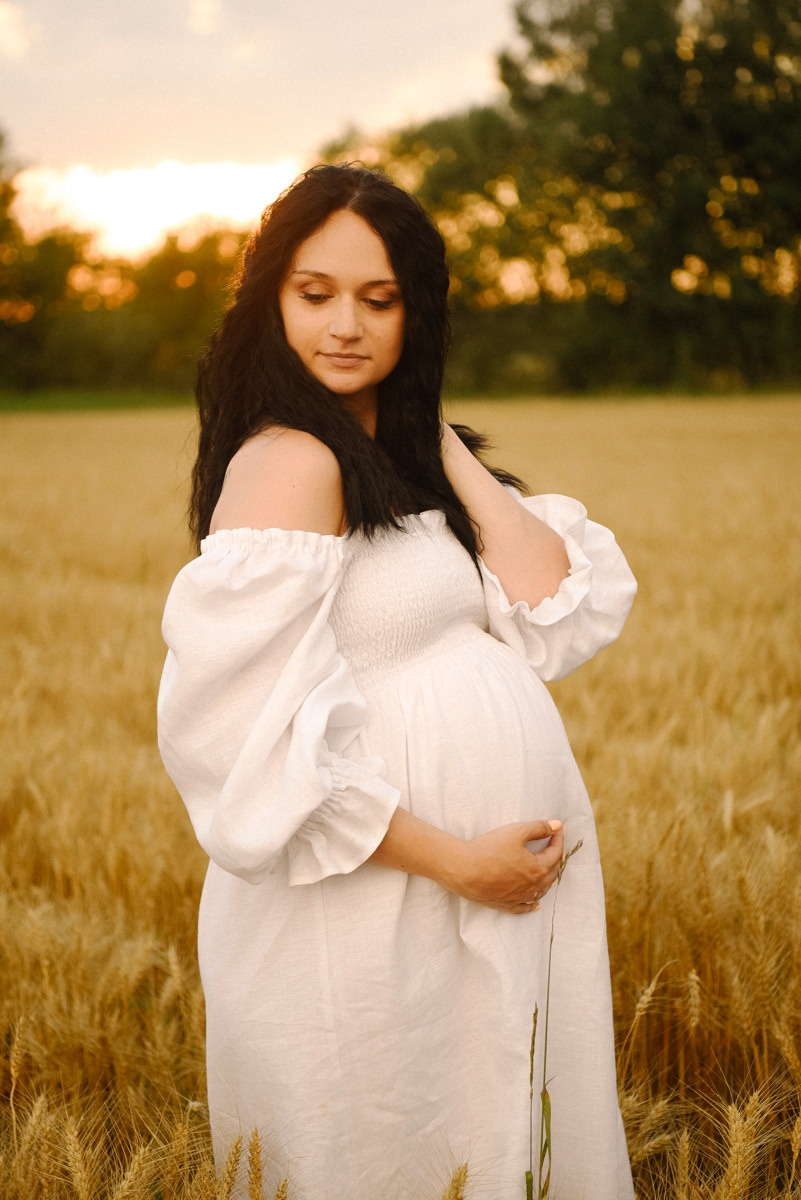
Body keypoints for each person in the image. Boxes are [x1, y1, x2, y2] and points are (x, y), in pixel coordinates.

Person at [157, 163, 637, 1200]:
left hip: (466, 893)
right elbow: (242, 740)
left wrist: (437, 435)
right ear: (270, 297)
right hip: (372, 903)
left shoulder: (402, 453)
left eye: (382, 300)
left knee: (487, 1136)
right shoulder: (289, 461)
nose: (347, 325)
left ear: (418, 311)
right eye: (315, 292)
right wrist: (460, 864)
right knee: (390, 1150)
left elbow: (550, 596)